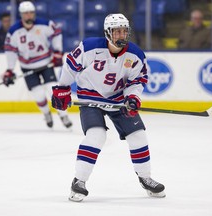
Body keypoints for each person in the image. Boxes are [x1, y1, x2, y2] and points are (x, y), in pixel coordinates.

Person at [51, 13, 165, 202]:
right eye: (117, 31)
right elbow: (70, 67)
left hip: (118, 99)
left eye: (124, 31)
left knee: (138, 136)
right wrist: (62, 88)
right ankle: (79, 181)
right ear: (107, 32)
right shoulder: (89, 47)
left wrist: (133, 98)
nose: (121, 35)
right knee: (96, 136)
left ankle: (145, 178)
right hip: (90, 97)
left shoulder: (134, 54)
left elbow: (137, 80)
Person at [2, 1, 72, 128]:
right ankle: (46, 113)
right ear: (21, 15)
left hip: (46, 64)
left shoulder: (44, 24)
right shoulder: (14, 31)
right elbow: (10, 50)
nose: (29, 15)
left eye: (31, 13)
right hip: (27, 67)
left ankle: (63, 115)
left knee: (53, 91)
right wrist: (10, 69)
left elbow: (57, 33)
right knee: (38, 94)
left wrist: (57, 51)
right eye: (26, 13)